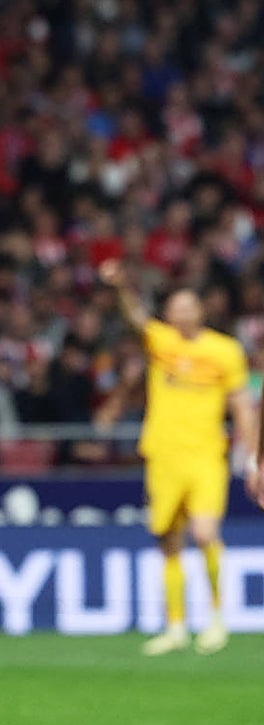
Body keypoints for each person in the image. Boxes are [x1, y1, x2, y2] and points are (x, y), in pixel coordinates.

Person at [100, 259, 253, 655]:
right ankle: (176, 626)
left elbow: (242, 405)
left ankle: (217, 618)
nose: (182, 313)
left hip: (206, 454)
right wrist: (120, 286)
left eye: (188, 306)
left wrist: (254, 456)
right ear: (168, 314)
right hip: (163, 455)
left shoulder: (224, 350)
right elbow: (134, 317)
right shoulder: (162, 343)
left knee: (204, 533)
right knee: (168, 540)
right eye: (175, 307)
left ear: (201, 311)